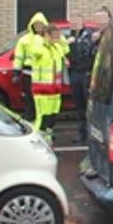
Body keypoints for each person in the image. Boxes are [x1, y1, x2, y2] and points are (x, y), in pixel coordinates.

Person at [30, 23, 66, 143]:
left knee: (52, 117)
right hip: (42, 90)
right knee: (42, 117)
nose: (57, 38)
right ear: (46, 36)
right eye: (55, 36)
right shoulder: (40, 47)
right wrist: (42, 39)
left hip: (55, 89)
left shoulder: (56, 47)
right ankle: (36, 140)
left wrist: (60, 39)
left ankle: (47, 138)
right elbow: (34, 51)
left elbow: (65, 49)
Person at [12, 11, 48, 121]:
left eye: (40, 25)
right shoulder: (24, 40)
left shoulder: (48, 38)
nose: (38, 27)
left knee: (42, 98)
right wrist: (16, 73)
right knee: (28, 97)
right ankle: (30, 117)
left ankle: (41, 118)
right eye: (36, 25)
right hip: (29, 73)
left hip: (44, 74)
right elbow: (19, 57)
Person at [66, 11, 96, 143]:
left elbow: (91, 51)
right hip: (75, 73)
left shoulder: (88, 35)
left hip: (86, 73)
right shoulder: (69, 37)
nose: (75, 24)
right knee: (78, 105)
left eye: (77, 22)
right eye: (73, 22)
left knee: (88, 104)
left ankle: (91, 133)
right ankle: (81, 132)